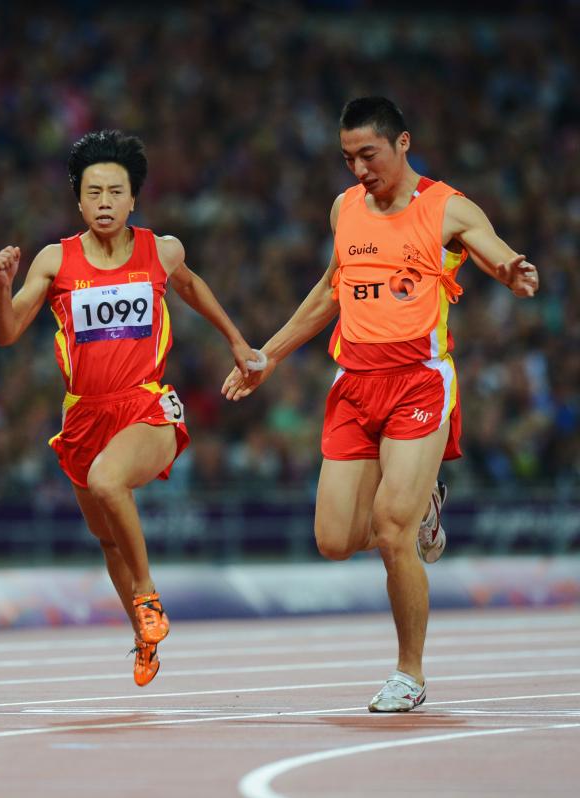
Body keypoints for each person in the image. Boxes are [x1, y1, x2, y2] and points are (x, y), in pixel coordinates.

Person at [222, 97, 539, 712]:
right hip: (354, 385)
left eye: (368, 155)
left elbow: (488, 245)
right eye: (347, 158)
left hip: (418, 382)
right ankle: (424, 504)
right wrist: (269, 354)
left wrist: (510, 268)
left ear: (402, 144)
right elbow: (328, 290)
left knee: (392, 531)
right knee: (336, 540)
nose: (358, 169)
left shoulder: (446, 207)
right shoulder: (345, 208)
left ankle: (409, 674)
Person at [0, 130, 259, 687]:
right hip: (83, 416)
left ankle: (148, 598)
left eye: (116, 192)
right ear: (78, 200)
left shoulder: (161, 249)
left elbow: (191, 287)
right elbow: (7, 332)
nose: (105, 203)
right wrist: (1, 286)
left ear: (134, 198)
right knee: (108, 537)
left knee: (109, 481)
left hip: (148, 405)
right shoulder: (54, 260)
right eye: (94, 193)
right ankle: (142, 636)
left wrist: (236, 341)